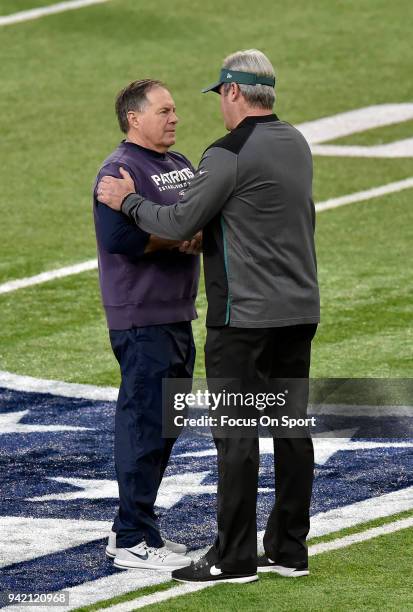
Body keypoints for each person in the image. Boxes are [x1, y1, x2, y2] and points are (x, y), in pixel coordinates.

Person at [97, 50, 320, 584]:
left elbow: (179, 219)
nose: (216, 106)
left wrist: (128, 202)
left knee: (237, 435)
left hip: (243, 317)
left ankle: (233, 557)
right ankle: (289, 548)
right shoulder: (297, 141)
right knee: (290, 428)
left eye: (220, 94)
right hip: (299, 309)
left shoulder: (226, 153)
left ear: (235, 93)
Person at [93, 79, 201, 571]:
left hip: (179, 312)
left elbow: (202, 220)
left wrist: (183, 231)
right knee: (143, 424)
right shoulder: (120, 168)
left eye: (175, 109)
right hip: (141, 317)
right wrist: (178, 235)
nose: (175, 117)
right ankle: (133, 536)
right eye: (164, 110)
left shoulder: (178, 166)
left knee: (165, 427)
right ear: (134, 118)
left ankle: (136, 530)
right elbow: (119, 237)